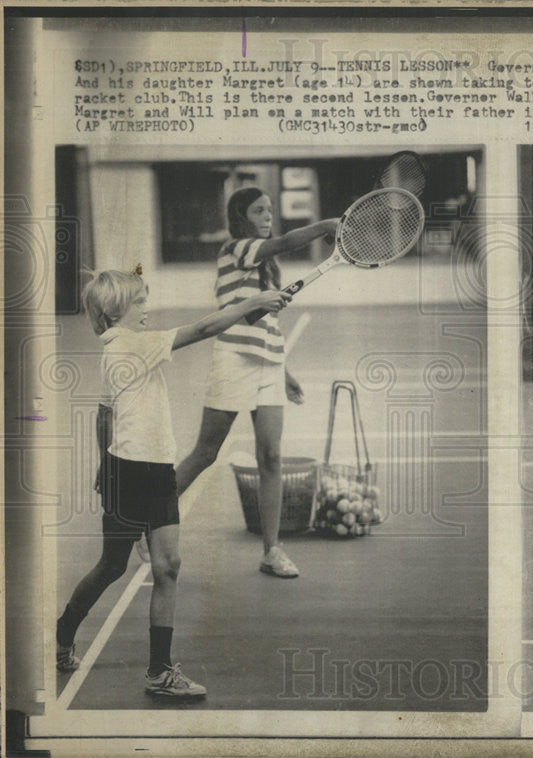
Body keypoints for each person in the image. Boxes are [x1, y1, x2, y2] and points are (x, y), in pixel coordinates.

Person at [56, 270, 290, 697]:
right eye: (140, 302)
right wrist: (252, 304)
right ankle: (63, 631)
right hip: (131, 471)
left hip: (155, 469)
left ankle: (159, 672)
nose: (147, 308)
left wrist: (100, 464)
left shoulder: (116, 348)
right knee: (113, 566)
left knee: (168, 566)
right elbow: (203, 328)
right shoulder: (135, 345)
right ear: (114, 311)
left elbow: (104, 414)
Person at [174, 188, 339, 578]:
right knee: (205, 452)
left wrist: (284, 372)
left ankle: (271, 551)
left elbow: (267, 326)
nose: (268, 216)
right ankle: (145, 519)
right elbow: (282, 242)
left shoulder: (268, 268)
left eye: (269, 210)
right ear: (242, 217)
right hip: (232, 360)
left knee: (272, 458)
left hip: (268, 366)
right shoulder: (236, 249)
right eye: (259, 210)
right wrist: (326, 226)